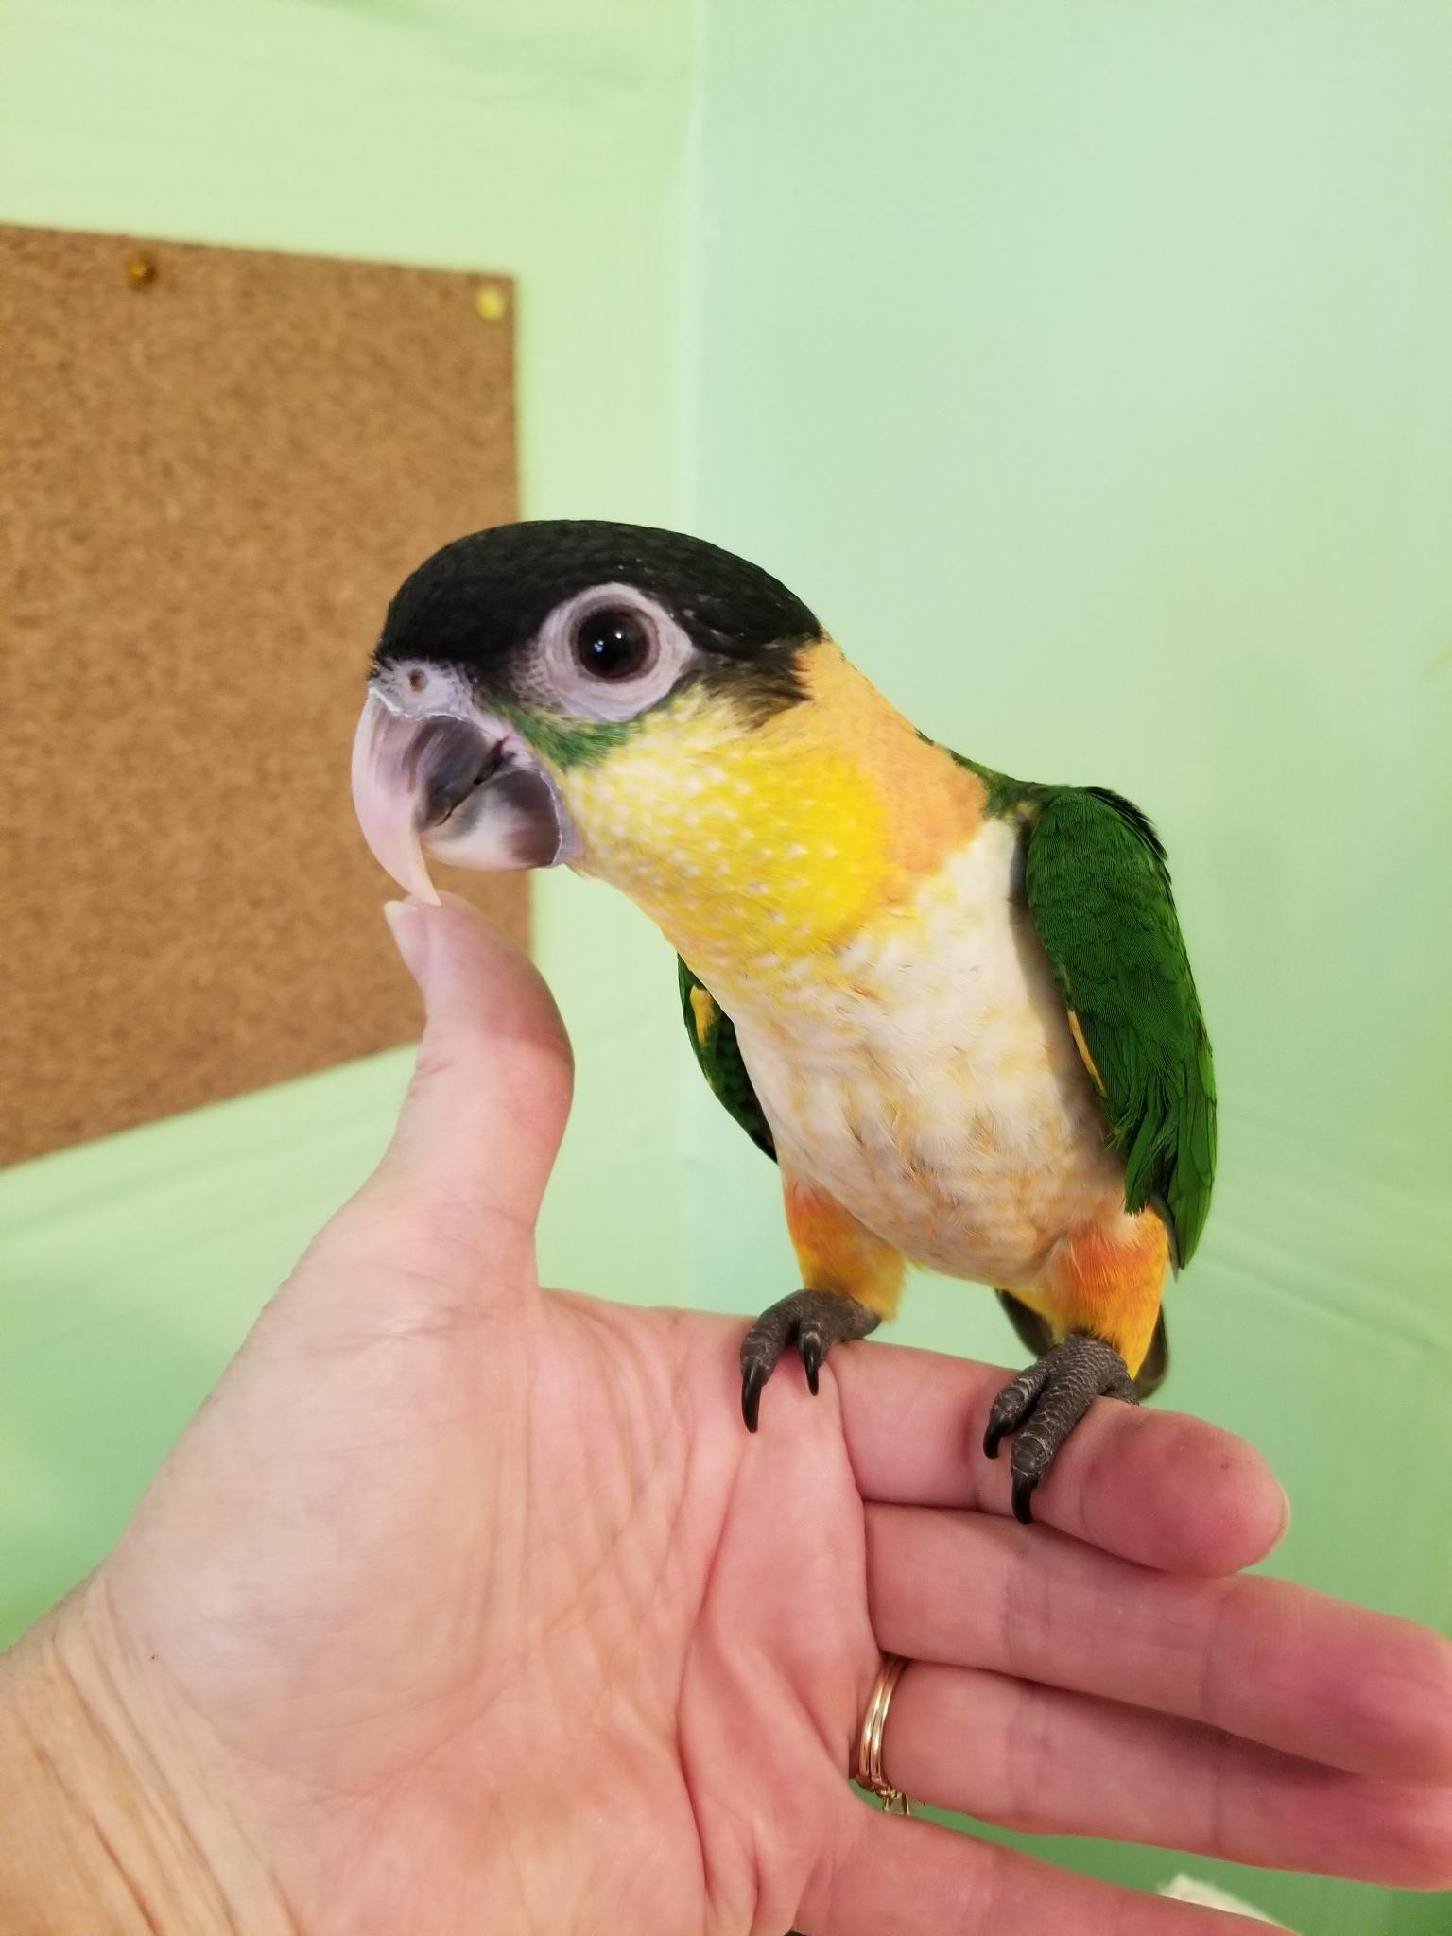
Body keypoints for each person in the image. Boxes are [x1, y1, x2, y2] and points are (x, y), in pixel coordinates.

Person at [2, 898, 1449, 1936]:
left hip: (1092, 1254)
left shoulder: (1065, 867)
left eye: (614, 654)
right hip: (847, 1248)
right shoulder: (721, 978)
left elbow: (1152, 1166)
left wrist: (138, 1821)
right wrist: (138, 1794)